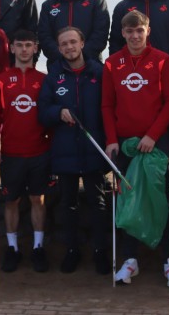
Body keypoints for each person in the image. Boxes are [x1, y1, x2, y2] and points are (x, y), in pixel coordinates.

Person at [102, 11, 169, 286]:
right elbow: (107, 105)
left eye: (140, 31)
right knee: (127, 200)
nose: (135, 36)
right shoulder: (112, 63)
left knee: (161, 200)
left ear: (148, 31)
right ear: (123, 32)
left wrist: (152, 136)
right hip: (124, 144)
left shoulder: (162, 60)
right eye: (130, 31)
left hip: (156, 144)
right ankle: (129, 259)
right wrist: (112, 140)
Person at [37, 27, 110, 275]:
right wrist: (57, 113)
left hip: (94, 149)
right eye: (64, 44)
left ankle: (101, 251)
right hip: (65, 151)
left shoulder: (99, 73)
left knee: (98, 203)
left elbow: (110, 109)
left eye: (73, 42)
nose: (69, 47)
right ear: (59, 49)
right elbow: (43, 112)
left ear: (82, 43)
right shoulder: (53, 76)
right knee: (68, 205)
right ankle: (72, 251)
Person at [0, 29, 49, 273]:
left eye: (28, 45)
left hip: (39, 152)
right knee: (11, 200)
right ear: (11, 48)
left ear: (35, 49)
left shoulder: (44, 80)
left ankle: (38, 247)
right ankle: (12, 248)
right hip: (11, 153)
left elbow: (48, 118)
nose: (24, 50)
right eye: (19, 45)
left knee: (37, 199)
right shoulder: (1, 80)